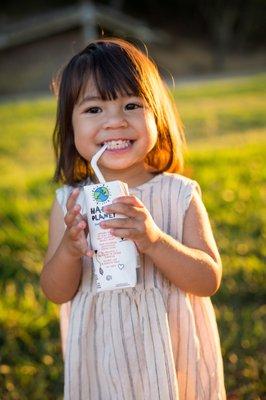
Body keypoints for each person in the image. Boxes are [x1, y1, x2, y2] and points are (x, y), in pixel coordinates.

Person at [40, 37, 226, 400]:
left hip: (171, 353)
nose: (115, 122)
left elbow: (208, 280)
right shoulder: (69, 202)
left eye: (131, 105)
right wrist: (69, 250)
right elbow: (54, 291)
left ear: (157, 115)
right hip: (100, 352)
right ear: (70, 126)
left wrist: (154, 240)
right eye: (94, 110)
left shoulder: (178, 194)